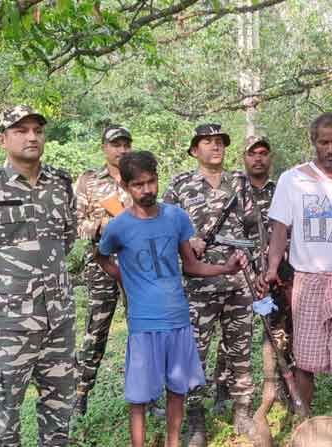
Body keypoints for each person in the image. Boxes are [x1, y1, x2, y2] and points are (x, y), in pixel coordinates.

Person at [96, 150, 245, 447]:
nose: (147, 190)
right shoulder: (118, 226)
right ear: (125, 187)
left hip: (178, 319)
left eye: (151, 182)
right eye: (138, 185)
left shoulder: (176, 217)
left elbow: (190, 265)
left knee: (177, 389)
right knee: (138, 398)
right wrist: (125, 277)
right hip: (144, 325)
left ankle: (172, 443)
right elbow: (102, 257)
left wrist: (226, 267)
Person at [0, 105, 77, 446]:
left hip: (58, 319)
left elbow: (65, 240)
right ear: (2, 139)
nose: (32, 137)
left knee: (59, 412)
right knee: (4, 414)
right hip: (8, 323)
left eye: (37, 130)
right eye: (21, 130)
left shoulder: (60, 183)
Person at [261, 112, 332, 427]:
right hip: (307, 281)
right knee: (305, 357)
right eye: (324, 142)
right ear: (313, 142)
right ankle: (305, 423)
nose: (330, 148)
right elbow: (280, 229)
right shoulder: (292, 179)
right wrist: (272, 268)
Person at [162, 124, 256, 445]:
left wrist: (256, 270)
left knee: (240, 349)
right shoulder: (179, 185)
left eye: (220, 142)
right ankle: (196, 418)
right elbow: (164, 229)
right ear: (193, 150)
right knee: (194, 353)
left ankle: (242, 410)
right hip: (198, 285)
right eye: (207, 142)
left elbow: (256, 229)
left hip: (239, 281)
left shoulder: (241, 183)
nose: (215, 147)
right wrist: (187, 240)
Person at [212, 135, 296, 416]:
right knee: (234, 335)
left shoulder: (281, 189)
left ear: (269, 157)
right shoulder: (232, 189)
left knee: (280, 330)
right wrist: (250, 268)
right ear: (244, 157)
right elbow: (226, 233)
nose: (258, 158)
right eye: (252, 153)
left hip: (277, 274)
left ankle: (282, 386)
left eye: (263, 153)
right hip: (242, 273)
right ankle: (223, 388)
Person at [74, 125, 133, 414]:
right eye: (115, 144)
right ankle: (81, 392)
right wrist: (100, 226)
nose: (121, 150)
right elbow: (75, 221)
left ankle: (144, 393)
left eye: (125, 144)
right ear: (104, 148)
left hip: (135, 264)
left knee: (140, 329)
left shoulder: (138, 177)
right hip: (101, 261)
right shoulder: (89, 180)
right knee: (96, 329)